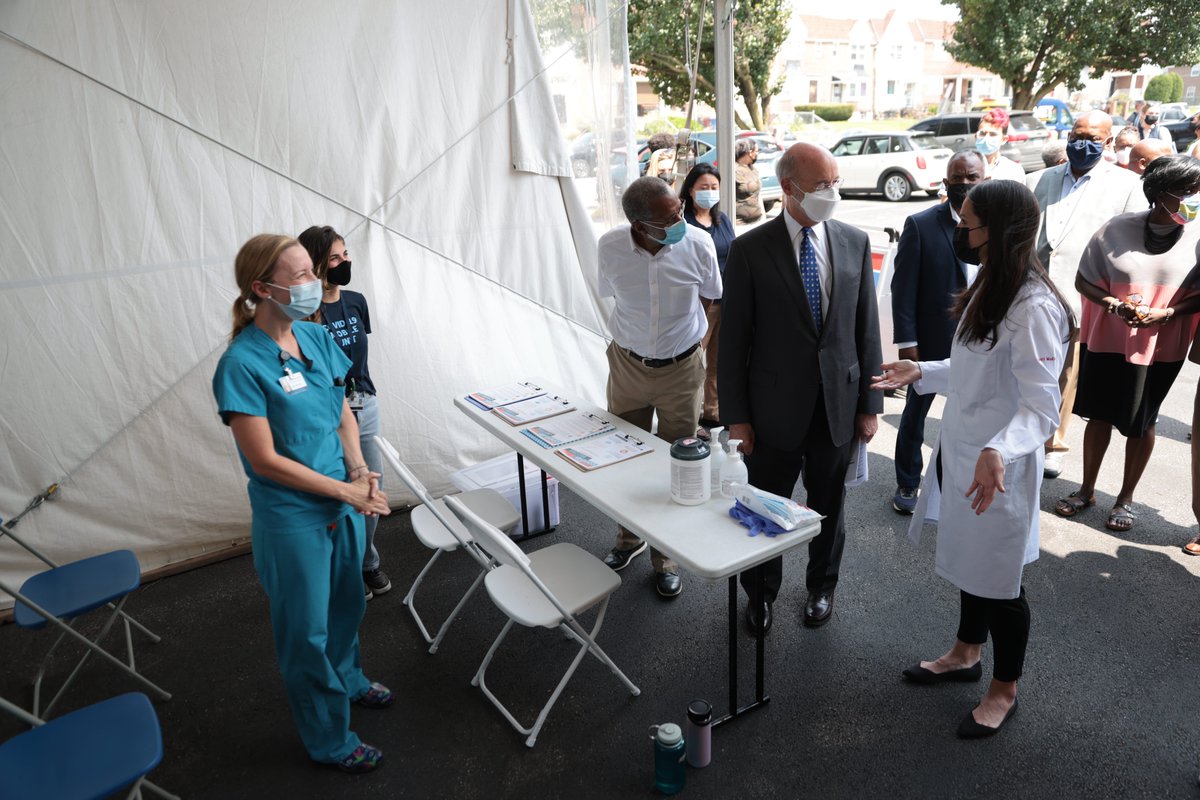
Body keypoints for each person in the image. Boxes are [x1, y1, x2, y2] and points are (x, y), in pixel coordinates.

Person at [871, 180, 1074, 739]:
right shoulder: (992, 281)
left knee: (1001, 582)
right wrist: (923, 371)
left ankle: (1004, 689)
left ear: (1001, 231)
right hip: (966, 452)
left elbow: (1041, 407)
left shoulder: (1033, 306)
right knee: (969, 564)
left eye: (968, 224)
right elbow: (974, 369)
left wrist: (997, 449)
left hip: (997, 465)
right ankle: (966, 653)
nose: (959, 232)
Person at [211, 234, 393, 773]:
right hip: (294, 521)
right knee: (305, 635)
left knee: (347, 607)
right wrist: (346, 491)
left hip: (344, 503)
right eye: (301, 277)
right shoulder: (241, 364)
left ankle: (350, 679)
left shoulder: (313, 339)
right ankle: (330, 739)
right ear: (261, 289)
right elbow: (264, 460)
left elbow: (341, 412)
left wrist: (360, 469)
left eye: (313, 273)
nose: (314, 284)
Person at [719, 143, 882, 633]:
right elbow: (733, 343)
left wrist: (870, 404)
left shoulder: (853, 241)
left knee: (828, 507)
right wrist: (737, 416)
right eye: (821, 186)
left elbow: (866, 329)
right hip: (772, 411)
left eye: (835, 182)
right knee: (765, 506)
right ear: (788, 189)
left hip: (837, 404)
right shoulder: (749, 249)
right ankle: (760, 593)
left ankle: (821, 588)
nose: (832, 193)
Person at [1054, 155, 1200, 531]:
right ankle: (1086, 490)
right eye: (1187, 191)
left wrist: (1166, 314)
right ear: (1160, 194)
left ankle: (1125, 499)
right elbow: (1084, 281)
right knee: (1099, 414)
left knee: (1143, 421)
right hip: (1108, 339)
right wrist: (1115, 305)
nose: (1194, 198)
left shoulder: (1199, 237)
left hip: (1161, 347)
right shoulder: (1115, 230)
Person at [598, 176, 722, 597]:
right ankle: (629, 539)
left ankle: (665, 555)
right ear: (639, 226)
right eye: (669, 218)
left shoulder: (699, 244)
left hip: (682, 368)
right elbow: (613, 297)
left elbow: (710, 299)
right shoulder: (610, 247)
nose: (680, 221)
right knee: (624, 456)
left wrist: (689, 349)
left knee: (678, 460)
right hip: (628, 365)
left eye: (680, 212)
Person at [1027, 110, 1144, 480]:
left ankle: (1052, 444)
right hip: (1033, 292)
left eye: (1093, 138)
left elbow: (1131, 247)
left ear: (1108, 142)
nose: (1082, 143)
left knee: (1065, 374)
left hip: (1083, 296)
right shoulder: (1041, 179)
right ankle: (1023, 431)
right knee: (1027, 366)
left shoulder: (1125, 186)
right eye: (1077, 135)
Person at [889, 150, 985, 514]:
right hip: (930, 340)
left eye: (971, 178)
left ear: (984, 181)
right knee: (915, 414)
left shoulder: (995, 224)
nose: (964, 185)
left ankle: (953, 484)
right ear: (945, 183)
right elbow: (903, 288)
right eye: (957, 179)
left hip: (977, 340)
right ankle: (908, 482)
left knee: (967, 415)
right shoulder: (921, 224)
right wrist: (907, 342)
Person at [297, 226, 390, 601]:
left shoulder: (356, 301)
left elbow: (358, 354)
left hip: (366, 405)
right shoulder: (304, 315)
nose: (344, 263)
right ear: (316, 264)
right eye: (334, 258)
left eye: (345, 255)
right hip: (328, 416)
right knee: (339, 495)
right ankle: (343, 570)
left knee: (372, 487)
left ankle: (367, 562)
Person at [680, 163, 735, 432]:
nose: (710, 192)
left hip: (726, 301)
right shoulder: (683, 223)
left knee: (718, 360)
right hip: (699, 303)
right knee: (692, 361)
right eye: (704, 187)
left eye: (714, 187)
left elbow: (734, 255)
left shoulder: (721, 220)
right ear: (691, 190)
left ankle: (712, 412)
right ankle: (689, 417)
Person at [974, 108, 1025, 183]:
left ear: (1003, 139)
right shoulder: (964, 167)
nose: (986, 138)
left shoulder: (1013, 171)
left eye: (993, 134)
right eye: (982, 134)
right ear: (975, 137)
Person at [734, 139, 763, 224]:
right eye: (756, 151)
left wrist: (763, 216)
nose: (757, 153)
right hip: (739, 223)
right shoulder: (734, 170)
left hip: (756, 221)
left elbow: (758, 196)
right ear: (750, 152)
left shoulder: (753, 169)